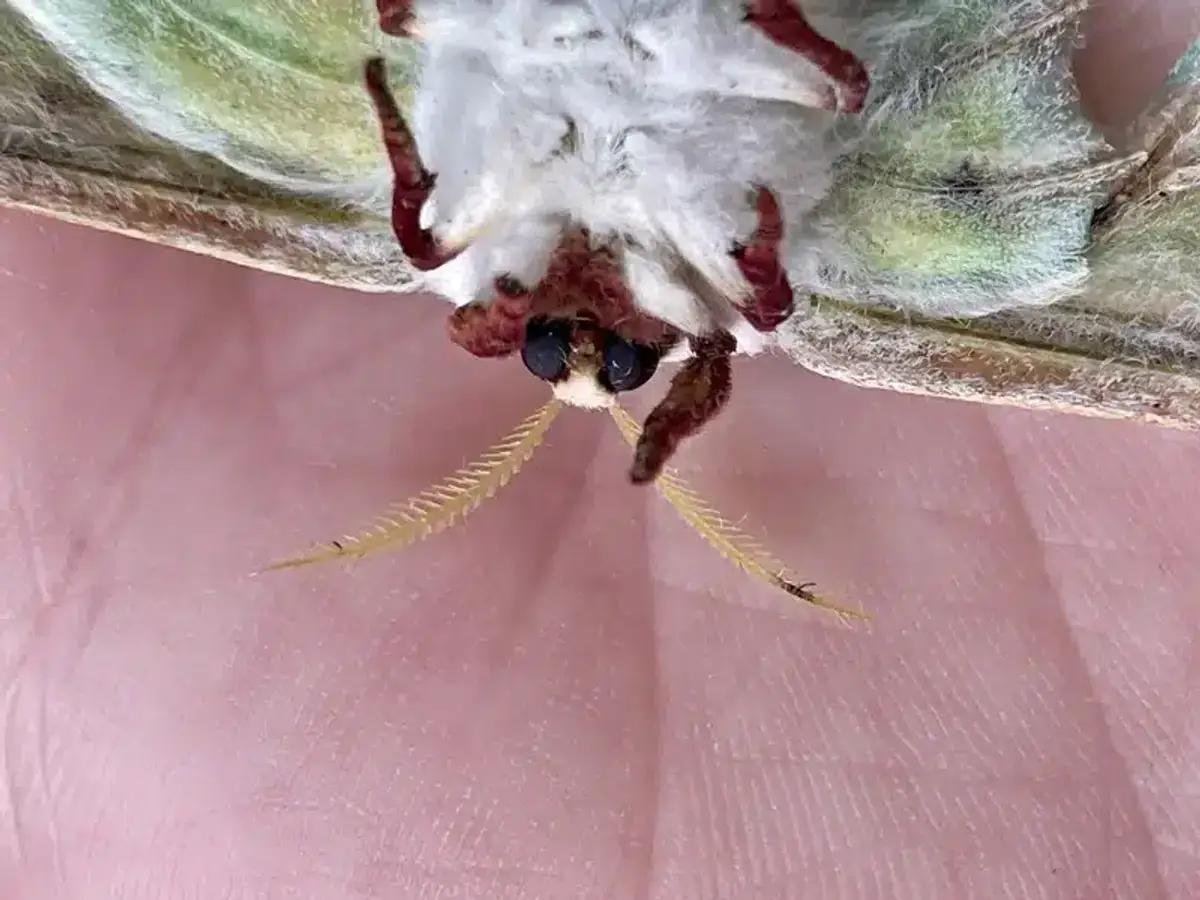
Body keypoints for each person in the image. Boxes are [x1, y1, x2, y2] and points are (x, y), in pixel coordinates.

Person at [2, 4, 1197, 897]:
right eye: (619, 361)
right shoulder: (763, 279)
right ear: (676, 365)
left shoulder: (453, 232)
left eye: (541, 346)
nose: (577, 343)